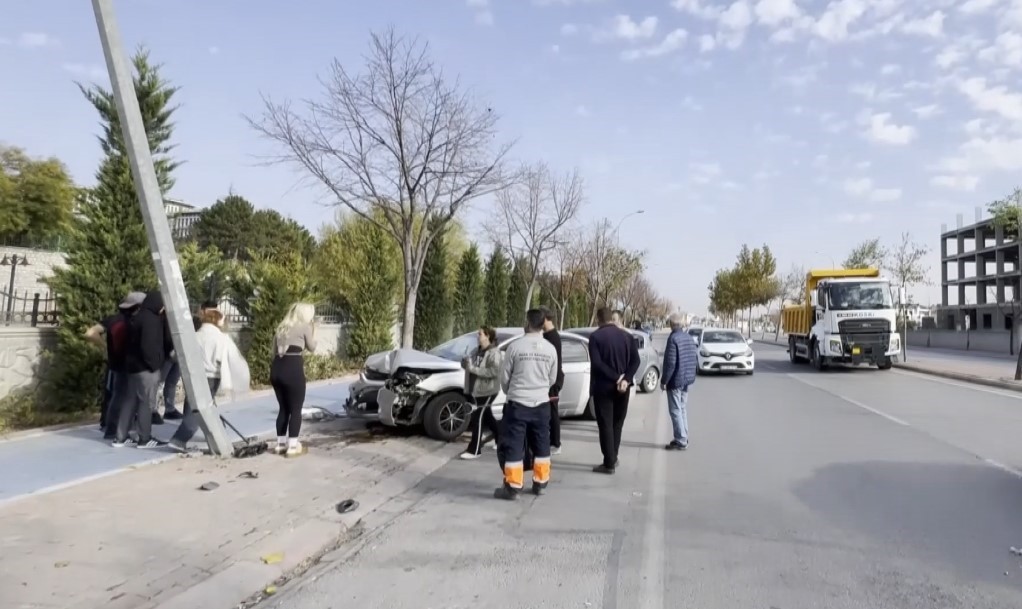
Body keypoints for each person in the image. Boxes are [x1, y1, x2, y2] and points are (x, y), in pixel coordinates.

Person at [494, 309, 558, 500]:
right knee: (541, 443)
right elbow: (552, 379)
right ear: (543, 324)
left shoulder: (515, 347)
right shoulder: (550, 349)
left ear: (528, 323)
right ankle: (540, 483)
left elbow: (504, 377)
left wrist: (510, 392)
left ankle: (513, 487)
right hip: (541, 404)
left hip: (518, 404)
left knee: (514, 444)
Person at [169, 309, 250, 452]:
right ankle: (179, 439)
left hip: (192, 375)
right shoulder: (222, 338)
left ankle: (219, 435)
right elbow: (233, 359)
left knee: (193, 407)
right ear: (218, 321)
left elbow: (175, 354)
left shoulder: (194, 336)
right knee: (200, 410)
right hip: (211, 377)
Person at [114, 291, 173, 448]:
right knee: (146, 403)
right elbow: (149, 346)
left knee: (129, 401)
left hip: (132, 367)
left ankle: (120, 437)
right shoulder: (151, 320)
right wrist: (155, 365)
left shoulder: (137, 317)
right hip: (147, 369)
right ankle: (144, 438)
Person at [587, 306, 641, 474]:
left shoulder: (595, 337)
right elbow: (636, 361)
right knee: (617, 423)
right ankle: (613, 456)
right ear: (612, 318)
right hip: (623, 389)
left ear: (599, 320)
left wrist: (615, 377)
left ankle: (609, 462)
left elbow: (597, 363)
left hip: (604, 387)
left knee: (605, 425)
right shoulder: (627, 336)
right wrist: (625, 379)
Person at [86, 291, 144, 439]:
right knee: (127, 397)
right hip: (130, 364)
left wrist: (104, 348)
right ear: (138, 306)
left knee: (116, 395)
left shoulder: (112, 319)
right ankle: (118, 429)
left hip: (114, 363)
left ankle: (110, 427)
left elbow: (90, 333)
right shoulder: (134, 321)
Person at [158, 300, 219, 421]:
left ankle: (170, 409)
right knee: (160, 382)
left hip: (183, 354)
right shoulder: (171, 318)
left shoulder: (196, 319)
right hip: (171, 353)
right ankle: (154, 411)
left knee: (172, 382)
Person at [271, 302, 317, 457]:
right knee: (295, 409)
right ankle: (292, 446)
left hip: (277, 369)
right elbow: (312, 347)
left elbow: (273, 351)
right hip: (293, 369)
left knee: (283, 408)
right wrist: (313, 333)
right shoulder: (304, 327)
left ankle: (279, 444)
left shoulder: (281, 327)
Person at [459, 326, 503, 459]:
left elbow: (493, 372)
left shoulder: (493, 353)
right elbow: (469, 367)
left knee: (478, 417)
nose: (477, 336)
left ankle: (475, 449)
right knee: (488, 416)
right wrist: (465, 364)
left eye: (480, 334)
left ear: (487, 336)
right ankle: (501, 439)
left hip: (488, 390)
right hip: (476, 389)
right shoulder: (477, 351)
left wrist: (473, 369)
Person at [660, 312, 698, 450]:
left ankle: (681, 440)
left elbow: (670, 363)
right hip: (686, 379)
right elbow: (692, 359)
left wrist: (664, 381)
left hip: (676, 380)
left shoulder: (673, 338)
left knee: (675, 410)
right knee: (682, 408)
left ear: (671, 324)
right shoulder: (688, 337)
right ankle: (683, 435)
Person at [539, 307, 564, 456]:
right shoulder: (548, 335)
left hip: (553, 380)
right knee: (549, 412)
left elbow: (552, 362)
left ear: (545, 319)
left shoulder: (552, 337)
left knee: (553, 412)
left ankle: (556, 443)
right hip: (551, 378)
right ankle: (551, 441)